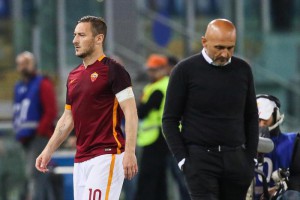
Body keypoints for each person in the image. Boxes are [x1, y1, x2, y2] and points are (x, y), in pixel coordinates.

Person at [35, 16, 138, 200]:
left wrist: (130, 152)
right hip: (81, 158)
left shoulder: (114, 70)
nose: (75, 40)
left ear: (99, 39)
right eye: (75, 35)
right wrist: (48, 150)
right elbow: (68, 118)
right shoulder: (73, 75)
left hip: (107, 155)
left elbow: (130, 112)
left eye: (82, 35)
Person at [162, 19, 259, 200]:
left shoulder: (243, 70)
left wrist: (250, 158)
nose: (225, 54)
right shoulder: (184, 71)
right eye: (219, 47)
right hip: (200, 161)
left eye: (230, 48)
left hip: (237, 160)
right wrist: (183, 161)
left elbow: (252, 117)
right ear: (204, 42)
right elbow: (169, 120)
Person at [13, 51, 57, 200]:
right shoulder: (19, 86)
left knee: (35, 174)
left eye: (26, 63)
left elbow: (51, 111)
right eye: (20, 64)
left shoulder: (43, 83)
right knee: (33, 175)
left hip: (39, 137)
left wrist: (40, 131)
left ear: (33, 64)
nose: (23, 67)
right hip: (25, 138)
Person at [135, 54, 170, 200]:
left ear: (163, 69)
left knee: (148, 178)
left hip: (156, 137)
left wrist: (139, 106)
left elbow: (142, 112)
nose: (151, 73)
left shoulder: (159, 88)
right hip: (160, 137)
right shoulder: (155, 86)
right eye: (150, 70)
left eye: (154, 70)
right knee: (159, 178)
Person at [255, 94, 300, 199]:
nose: (261, 124)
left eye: (265, 119)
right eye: (258, 120)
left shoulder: (294, 143)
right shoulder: (238, 144)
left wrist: (284, 187)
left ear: (276, 115)